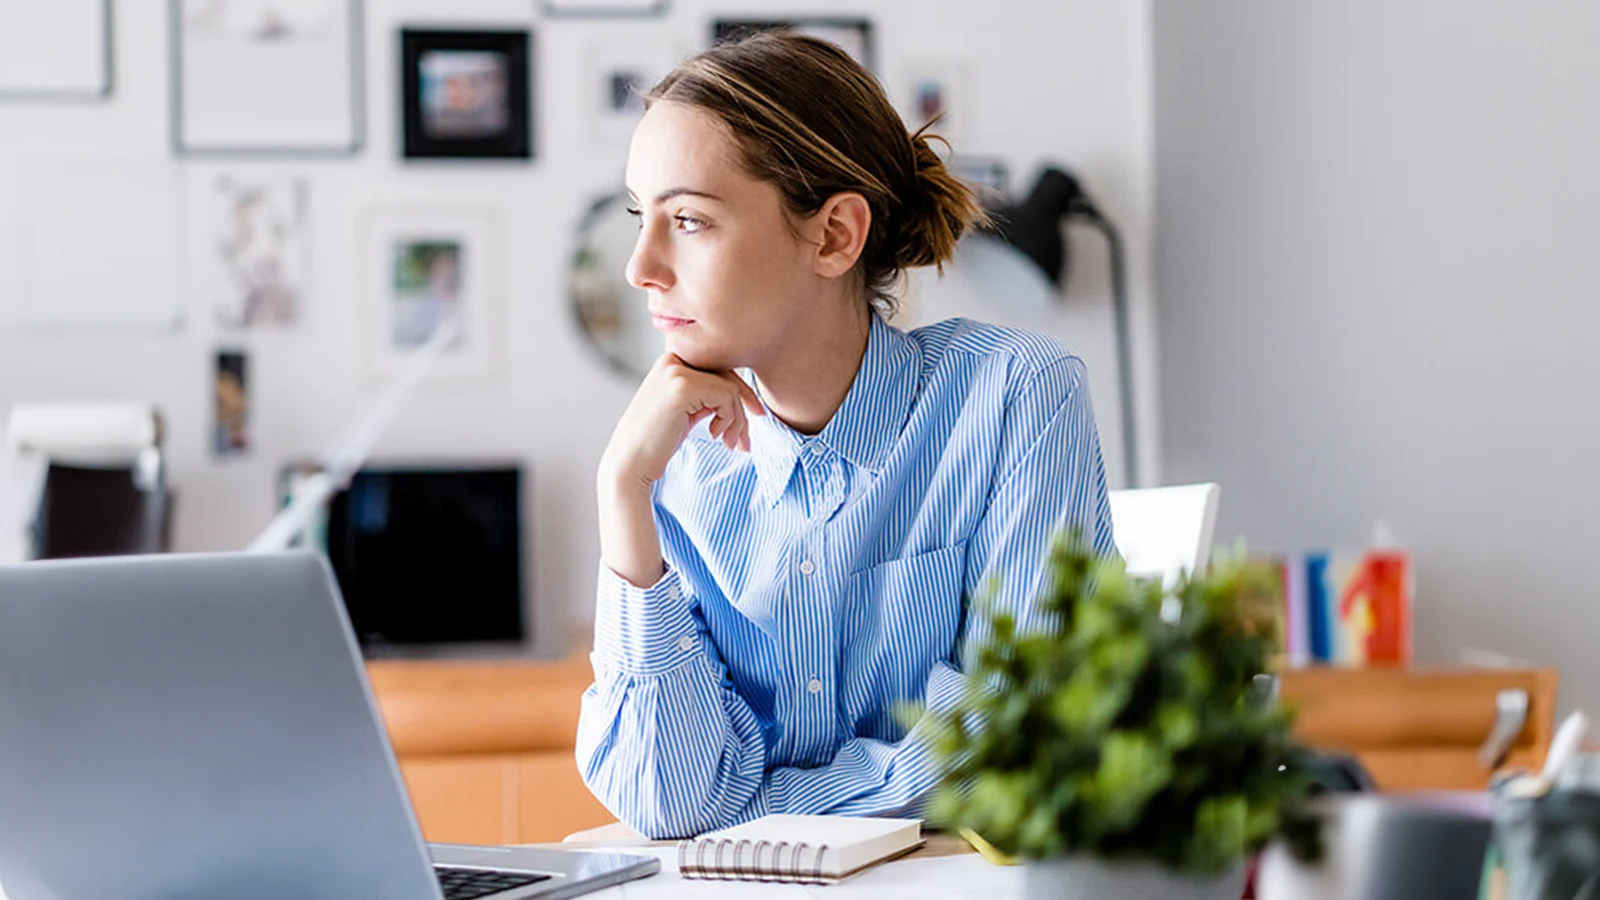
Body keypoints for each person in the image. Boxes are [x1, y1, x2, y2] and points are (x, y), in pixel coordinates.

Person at [576, 31, 1117, 839]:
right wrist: (621, 495)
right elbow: (669, 800)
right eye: (639, 217)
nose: (640, 267)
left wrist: (754, 801)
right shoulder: (670, 464)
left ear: (833, 235)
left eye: (687, 219)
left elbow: (1023, 742)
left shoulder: (1013, 400)